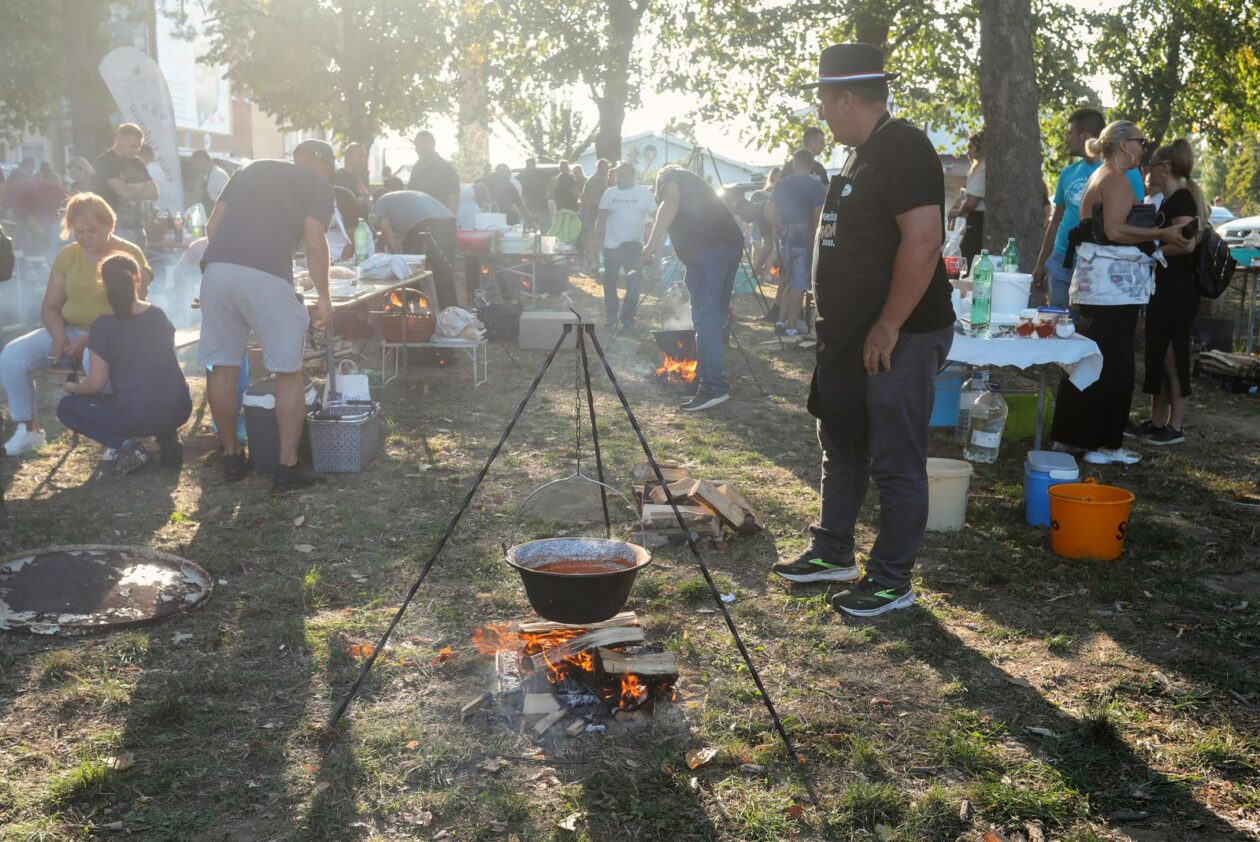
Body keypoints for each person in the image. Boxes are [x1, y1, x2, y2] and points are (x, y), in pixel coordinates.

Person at [772, 43, 955, 618]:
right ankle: (833, 552)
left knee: (896, 459)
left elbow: (924, 242)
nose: (821, 113)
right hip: (849, 335)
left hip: (900, 335)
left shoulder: (903, 147)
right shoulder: (860, 154)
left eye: (824, 101)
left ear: (847, 97)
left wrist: (888, 325)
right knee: (842, 440)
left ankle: (891, 580)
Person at [1050, 121, 1190, 465]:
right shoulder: (1115, 179)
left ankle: (1073, 437)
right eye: (1141, 142)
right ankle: (1105, 443)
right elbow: (1113, 230)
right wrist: (1161, 234)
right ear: (1124, 144)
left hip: (1098, 286)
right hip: (1111, 290)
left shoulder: (1102, 175)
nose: (1144, 148)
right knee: (1115, 365)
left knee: (1090, 360)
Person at [200, 139, 335, 492]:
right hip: (268, 275)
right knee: (288, 372)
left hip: (217, 271)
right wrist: (323, 295)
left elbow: (213, 227)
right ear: (324, 165)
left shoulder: (251, 168)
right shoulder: (319, 185)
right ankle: (286, 466)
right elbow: (315, 242)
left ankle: (231, 457)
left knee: (222, 366)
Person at [1, 193, 153, 456]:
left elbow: (130, 307)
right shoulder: (68, 255)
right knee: (12, 356)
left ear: (108, 225)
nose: (84, 237)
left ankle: (117, 436)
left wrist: (89, 338)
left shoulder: (128, 253)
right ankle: (28, 429)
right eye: (78, 231)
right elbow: (50, 306)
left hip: (115, 334)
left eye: (91, 231)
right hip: (70, 331)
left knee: (92, 363)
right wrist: (58, 334)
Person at [58, 254, 191, 473]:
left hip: (138, 415)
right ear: (136, 280)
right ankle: (167, 435)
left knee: (66, 408)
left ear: (103, 285)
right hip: (179, 408)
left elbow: (96, 384)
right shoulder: (158, 314)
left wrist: (73, 387)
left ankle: (128, 446)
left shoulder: (103, 326)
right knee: (152, 395)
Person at [642, 164, 744, 411]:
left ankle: (713, 387)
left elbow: (670, 203)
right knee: (712, 319)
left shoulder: (669, 176)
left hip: (708, 252)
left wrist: (650, 245)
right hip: (728, 247)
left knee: (705, 320)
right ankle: (703, 379)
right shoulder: (695, 183)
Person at [1032, 108, 1147, 308]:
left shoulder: (1126, 172)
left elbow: (1136, 219)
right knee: (1057, 322)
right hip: (1061, 260)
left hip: (1098, 265)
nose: (1067, 140)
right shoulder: (1068, 173)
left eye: (1070, 133)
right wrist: (1041, 263)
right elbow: (1056, 221)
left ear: (1083, 135)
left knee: (1084, 325)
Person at [1132, 140, 1204, 446]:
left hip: (1179, 291)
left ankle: (1175, 426)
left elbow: (1188, 243)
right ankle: (1156, 420)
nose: (1147, 173)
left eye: (1151, 167)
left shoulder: (1181, 200)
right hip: (1164, 290)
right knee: (1159, 356)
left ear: (1164, 169)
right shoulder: (1169, 200)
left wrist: (1156, 251)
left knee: (1173, 359)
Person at [767, 150, 826, 337]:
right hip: (803, 239)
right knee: (798, 285)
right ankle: (791, 327)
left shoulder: (782, 184)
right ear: (811, 165)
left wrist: (778, 226)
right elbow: (817, 218)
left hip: (785, 238)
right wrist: (818, 241)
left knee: (789, 280)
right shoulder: (816, 186)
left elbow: (769, 211)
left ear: (794, 164)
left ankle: (781, 321)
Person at [591, 162, 655, 329]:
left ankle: (628, 317)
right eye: (618, 175)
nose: (620, 178)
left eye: (624, 174)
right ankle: (611, 316)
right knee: (609, 282)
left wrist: (653, 242)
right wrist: (598, 240)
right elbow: (601, 217)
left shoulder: (644, 194)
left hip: (634, 245)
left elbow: (656, 216)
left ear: (632, 175)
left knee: (633, 284)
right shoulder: (609, 193)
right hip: (611, 245)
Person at [373, 186, 459, 307]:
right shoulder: (401, 199)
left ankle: (412, 309)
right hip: (448, 221)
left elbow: (386, 233)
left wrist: (398, 257)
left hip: (424, 223)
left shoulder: (380, 201)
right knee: (444, 271)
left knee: (411, 270)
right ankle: (451, 311)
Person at [93, 123, 158, 250]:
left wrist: (130, 187)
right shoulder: (105, 161)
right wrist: (141, 186)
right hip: (113, 228)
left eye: (138, 147)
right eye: (132, 146)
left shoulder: (137, 163)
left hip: (138, 228)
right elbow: (123, 193)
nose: (136, 151)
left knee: (140, 262)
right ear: (119, 139)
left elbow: (155, 192)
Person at [948, 131, 985, 264]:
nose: (967, 152)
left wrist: (957, 212)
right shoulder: (978, 167)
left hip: (978, 221)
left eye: (970, 147)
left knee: (966, 258)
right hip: (975, 218)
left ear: (979, 149)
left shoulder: (982, 167)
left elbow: (972, 201)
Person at [406, 131, 459, 213]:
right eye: (416, 146)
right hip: (418, 217)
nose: (416, 150)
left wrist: (450, 218)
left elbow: (454, 198)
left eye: (420, 146)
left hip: (439, 217)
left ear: (431, 145)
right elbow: (410, 194)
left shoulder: (446, 169)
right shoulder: (416, 168)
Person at [579, 158, 611, 253]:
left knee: (592, 232)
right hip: (600, 209)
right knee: (601, 232)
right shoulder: (602, 179)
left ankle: (592, 254)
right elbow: (606, 194)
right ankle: (600, 253)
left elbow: (584, 195)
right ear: (602, 167)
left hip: (590, 209)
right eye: (607, 168)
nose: (607, 170)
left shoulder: (590, 179)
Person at [327, 185, 363, 261]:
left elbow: (352, 240)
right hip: (329, 245)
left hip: (353, 249)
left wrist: (342, 262)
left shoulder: (346, 201)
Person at [190, 150, 230, 215]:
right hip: (206, 215)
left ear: (203, 161)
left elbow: (225, 200)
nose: (194, 166)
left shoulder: (219, 175)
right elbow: (196, 195)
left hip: (217, 216)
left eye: (195, 163)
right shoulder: (205, 175)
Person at [517, 159, 551, 231]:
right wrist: (548, 192)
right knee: (545, 231)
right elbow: (554, 180)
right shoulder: (542, 173)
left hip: (528, 208)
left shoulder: (521, 176)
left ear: (527, 165)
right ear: (534, 164)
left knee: (528, 231)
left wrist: (523, 197)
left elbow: (516, 188)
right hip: (542, 205)